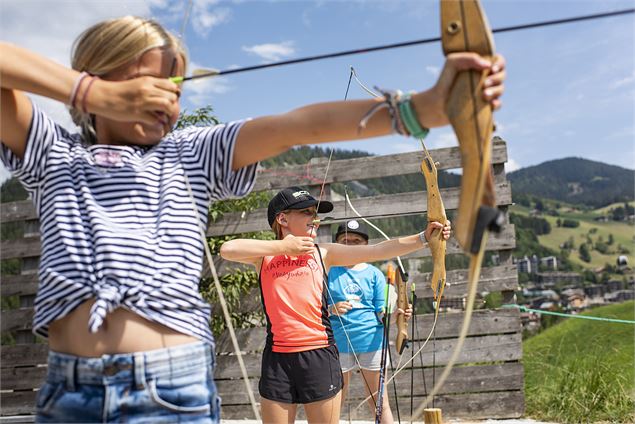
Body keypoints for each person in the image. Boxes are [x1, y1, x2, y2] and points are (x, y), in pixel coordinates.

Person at [0, 14, 505, 424]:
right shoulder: (53, 153)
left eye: (175, 85)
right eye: (150, 81)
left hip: (169, 386)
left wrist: (425, 108)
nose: (168, 97)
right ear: (98, 75)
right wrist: (89, 92)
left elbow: (294, 125)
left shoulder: (190, 153)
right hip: (69, 387)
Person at [219, 189, 451, 423]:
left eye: (315, 213)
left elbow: (376, 251)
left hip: (319, 355)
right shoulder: (264, 258)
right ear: (283, 218)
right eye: (306, 212)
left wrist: (423, 238)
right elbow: (227, 249)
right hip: (278, 359)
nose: (315, 218)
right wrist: (283, 248)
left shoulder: (323, 253)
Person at [328, 220, 416, 423]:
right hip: (337, 345)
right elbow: (315, 307)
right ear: (335, 245)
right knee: (334, 402)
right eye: (345, 241)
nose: (350, 246)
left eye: (356, 241)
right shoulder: (328, 272)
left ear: (367, 246)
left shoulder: (375, 274)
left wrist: (397, 316)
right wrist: (331, 309)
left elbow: (382, 314)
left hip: (372, 343)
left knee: (378, 403)